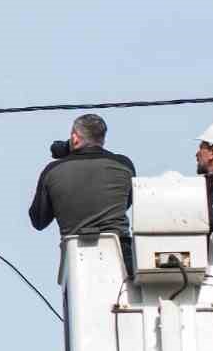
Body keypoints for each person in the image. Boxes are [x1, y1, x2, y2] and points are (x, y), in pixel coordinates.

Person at [29, 114, 136, 270]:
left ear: (74, 138)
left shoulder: (53, 171)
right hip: (122, 258)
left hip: (77, 263)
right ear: (102, 139)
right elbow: (125, 203)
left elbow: (38, 220)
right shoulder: (124, 165)